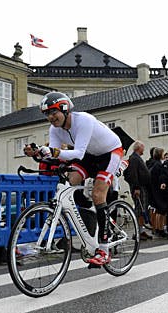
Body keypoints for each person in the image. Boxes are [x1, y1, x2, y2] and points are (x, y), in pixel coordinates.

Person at [25, 92, 122, 266]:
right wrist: (38, 153)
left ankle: (104, 249)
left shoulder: (83, 120)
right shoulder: (54, 130)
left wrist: (52, 152)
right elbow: (54, 156)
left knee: (98, 195)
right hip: (90, 156)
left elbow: (78, 153)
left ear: (65, 109)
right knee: (71, 181)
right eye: (47, 114)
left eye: (54, 112)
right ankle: (88, 210)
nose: (51, 117)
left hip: (110, 153)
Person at [125, 140, 152, 240]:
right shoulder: (134, 159)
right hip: (138, 188)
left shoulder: (137, 158)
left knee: (143, 209)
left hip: (142, 187)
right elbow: (133, 174)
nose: (144, 149)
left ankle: (141, 230)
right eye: (142, 147)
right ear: (138, 148)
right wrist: (136, 187)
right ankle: (138, 231)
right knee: (139, 210)